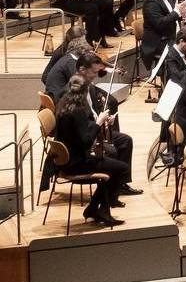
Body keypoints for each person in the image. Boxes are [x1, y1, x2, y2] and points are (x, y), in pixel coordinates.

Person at [54, 74, 130, 226]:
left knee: (111, 164)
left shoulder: (64, 106)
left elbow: (79, 132)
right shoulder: (77, 111)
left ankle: (94, 209)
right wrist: (98, 123)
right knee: (121, 168)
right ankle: (101, 210)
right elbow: (86, 141)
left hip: (66, 161)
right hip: (77, 163)